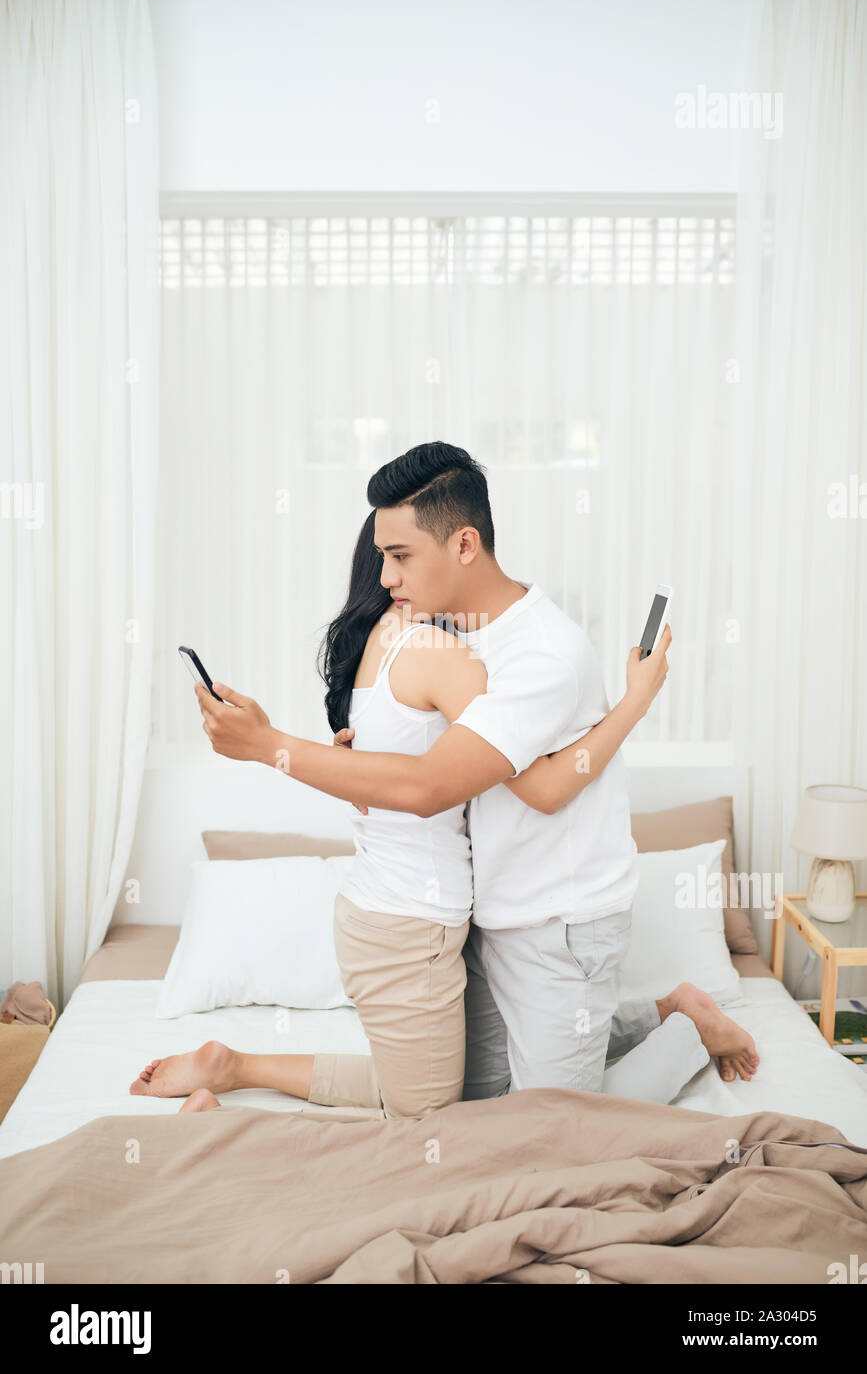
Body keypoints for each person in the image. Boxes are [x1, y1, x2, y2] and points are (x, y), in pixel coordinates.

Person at [133, 441, 758, 1115]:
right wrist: (361, 750)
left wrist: (268, 746)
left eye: (400, 556)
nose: (386, 577)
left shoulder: (540, 653)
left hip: (557, 918)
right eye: (382, 556)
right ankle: (665, 1009)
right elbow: (429, 749)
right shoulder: (454, 634)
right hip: (489, 912)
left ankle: (688, 1030)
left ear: (463, 544)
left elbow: (511, 788)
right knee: (475, 1100)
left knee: (555, 1130)